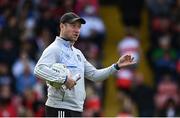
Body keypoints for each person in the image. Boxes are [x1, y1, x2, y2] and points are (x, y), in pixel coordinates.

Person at [34, 12, 136, 117]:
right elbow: (39, 69)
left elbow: (95, 76)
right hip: (60, 108)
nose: (77, 30)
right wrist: (64, 79)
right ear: (62, 26)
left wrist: (116, 66)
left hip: (76, 109)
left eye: (79, 27)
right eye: (73, 26)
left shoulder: (77, 53)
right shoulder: (54, 48)